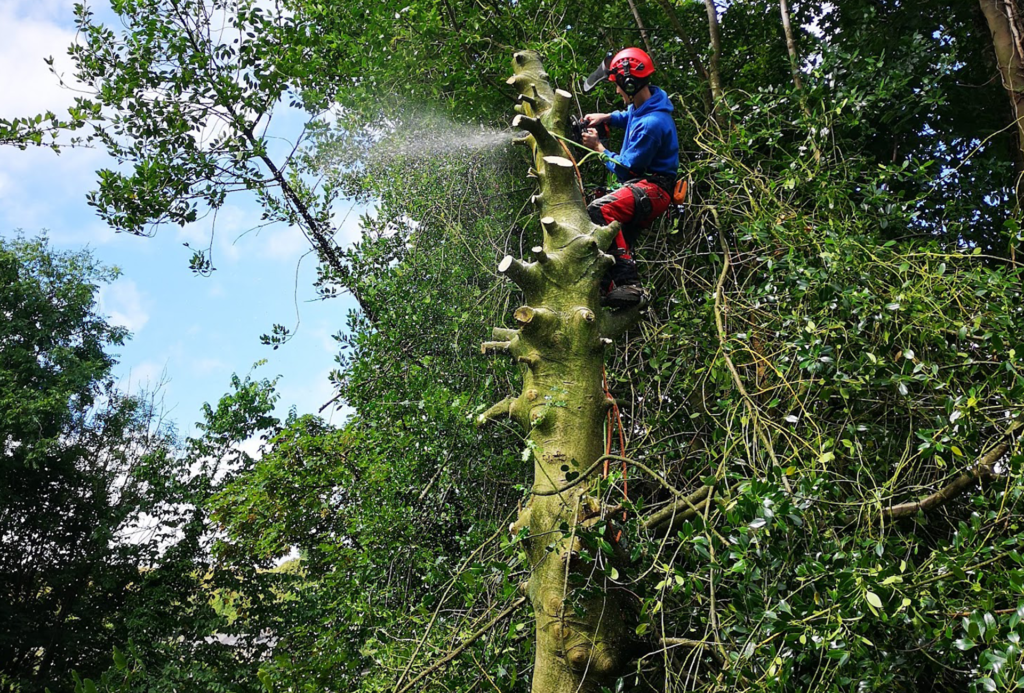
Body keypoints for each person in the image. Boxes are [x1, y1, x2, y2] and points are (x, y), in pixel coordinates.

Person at [580, 47, 679, 308]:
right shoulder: (648, 102)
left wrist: (598, 147)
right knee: (612, 230)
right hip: (645, 187)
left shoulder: (653, 123)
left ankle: (629, 284)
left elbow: (626, 169)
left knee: (600, 210)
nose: (617, 91)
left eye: (618, 86)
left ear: (630, 83)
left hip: (654, 188)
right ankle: (607, 285)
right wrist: (608, 118)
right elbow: (630, 115)